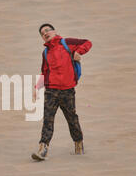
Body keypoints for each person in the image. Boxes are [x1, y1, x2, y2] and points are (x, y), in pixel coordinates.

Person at [31, 23, 92, 161]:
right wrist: (36, 88)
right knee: (48, 120)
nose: (45, 33)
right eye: (42, 33)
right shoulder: (45, 52)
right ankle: (43, 149)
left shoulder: (67, 43)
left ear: (54, 31)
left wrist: (78, 52)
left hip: (68, 91)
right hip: (51, 91)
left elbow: (88, 42)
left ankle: (78, 144)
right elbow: (44, 72)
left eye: (47, 31)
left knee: (72, 119)